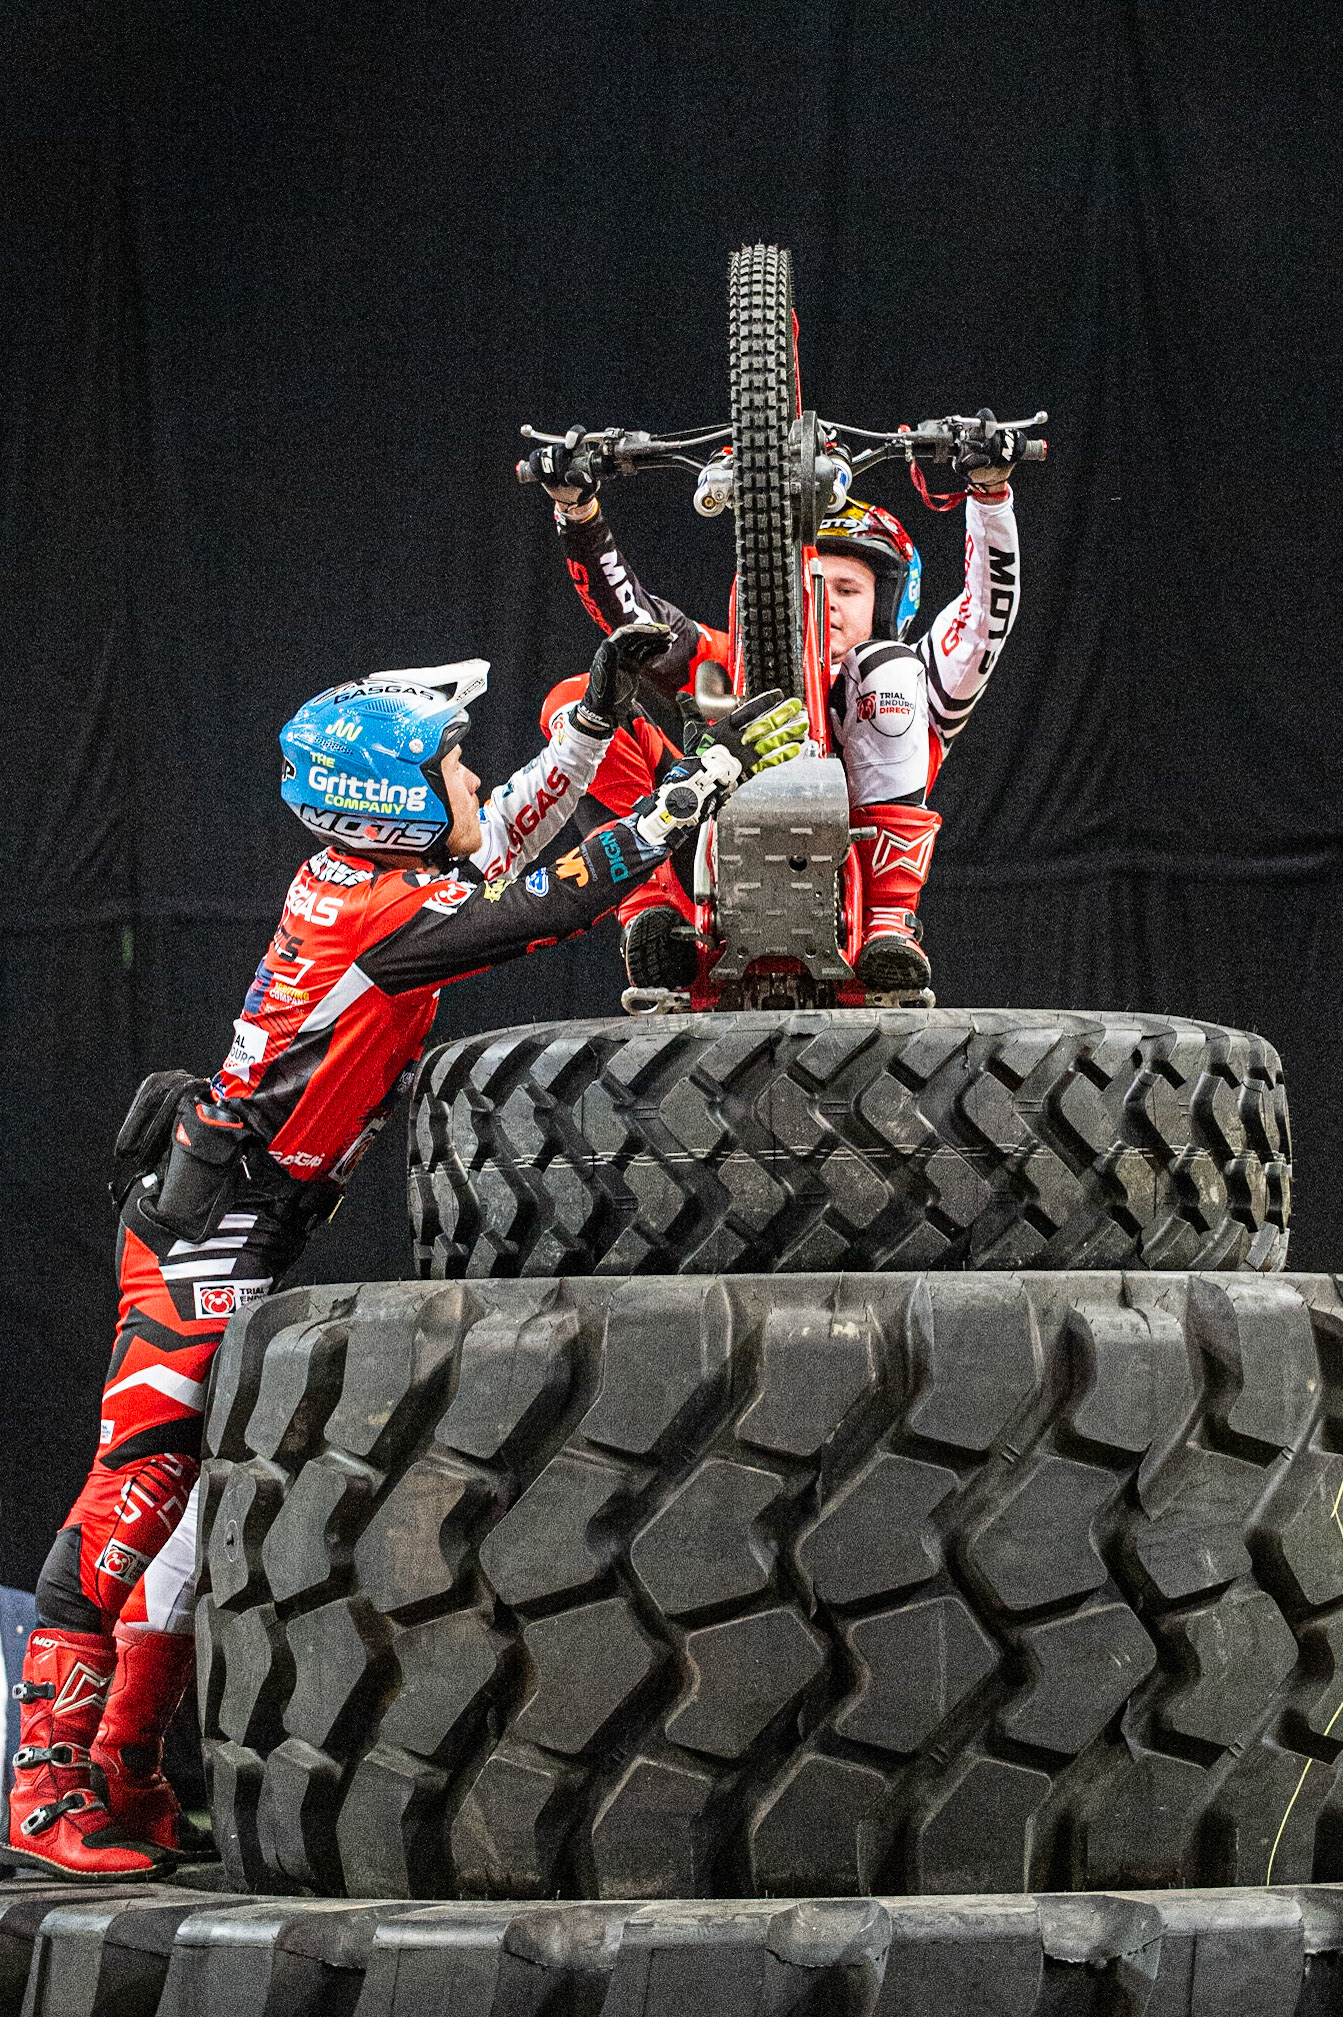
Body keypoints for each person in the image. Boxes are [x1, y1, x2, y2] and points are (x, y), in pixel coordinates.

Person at [7, 624, 803, 1881]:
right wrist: (688, 792)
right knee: (136, 1497)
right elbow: (542, 899)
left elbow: (497, 854)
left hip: (238, 1210)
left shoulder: (372, 877)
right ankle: (45, 1791)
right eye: (451, 763)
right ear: (388, 799)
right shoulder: (373, 912)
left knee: (192, 1504)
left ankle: (125, 1777)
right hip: (211, 1229)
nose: (475, 782)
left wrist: (591, 728)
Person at [528, 420, 1027, 992]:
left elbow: (987, 614)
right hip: (699, 866)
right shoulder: (725, 659)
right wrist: (578, 510)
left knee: (886, 671)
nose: (823, 602)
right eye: (810, 583)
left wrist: (990, 496)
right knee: (574, 703)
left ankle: (890, 924)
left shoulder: (921, 677)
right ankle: (649, 915)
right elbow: (633, 619)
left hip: (859, 928)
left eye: (847, 589)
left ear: (888, 600)